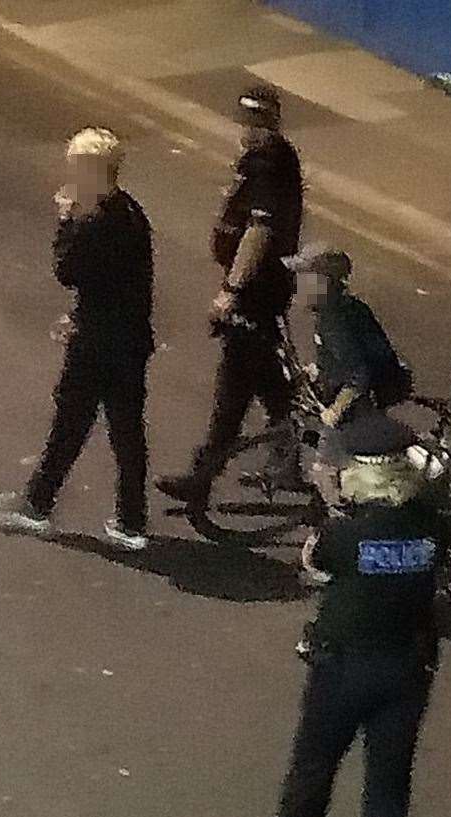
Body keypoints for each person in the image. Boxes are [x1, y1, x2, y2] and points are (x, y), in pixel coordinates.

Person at [235, 409, 445, 817]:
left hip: (345, 665)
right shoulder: (433, 524)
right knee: (389, 784)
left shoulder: (343, 534)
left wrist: (332, 507)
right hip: (408, 665)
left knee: (314, 769)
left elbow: (315, 564)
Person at [0, 127, 155, 551]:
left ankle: (37, 506)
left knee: (69, 423)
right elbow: (114, 284)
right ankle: (131, 521)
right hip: (127, 340)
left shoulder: (95, 221)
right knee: (125, 432)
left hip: (98, 346)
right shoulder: (131, 213)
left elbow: (67, 270)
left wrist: (65, 219)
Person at [156, 84, 304, 512]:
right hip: (264, 288)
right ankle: (288, 455)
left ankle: (203, 475)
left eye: (255, 120)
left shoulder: (267, 161)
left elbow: (260, 231)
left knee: (234, 385)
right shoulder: (272, 156)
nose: (248, 128)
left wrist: (232, 290)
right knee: (268, 380)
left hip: (256, 291)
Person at [271, 244, 412, 491]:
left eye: (305, 278)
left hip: (362, 399)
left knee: (327, 470)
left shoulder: (334, 320)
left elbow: (359, 374)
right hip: (360, 388)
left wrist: (335, 411)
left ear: (323, 283)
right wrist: (318, 369)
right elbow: (343, 357)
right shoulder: (334, 310)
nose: (297, 284)